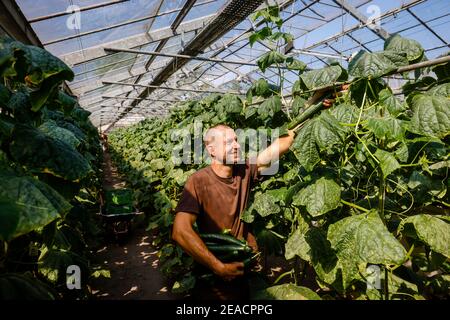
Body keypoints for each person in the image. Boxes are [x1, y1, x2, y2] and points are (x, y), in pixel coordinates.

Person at [171, 87, 344, 300]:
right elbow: (180, 231)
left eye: (236, 140)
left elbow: (284, 142)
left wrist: (314, 103)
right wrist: (218, 267)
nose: (236, 146)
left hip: (244, 263)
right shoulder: (198, 181)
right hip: (215, 269)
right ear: (211, 150)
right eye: (228, 142)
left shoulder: (244, 170)